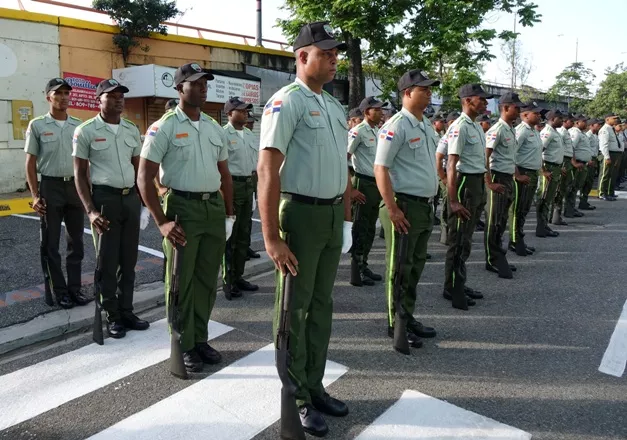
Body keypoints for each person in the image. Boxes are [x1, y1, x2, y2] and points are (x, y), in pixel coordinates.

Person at [257, 22, 351, 437]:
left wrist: (346, 218)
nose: (333, 59)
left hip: (330, 217)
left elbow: (342, 167)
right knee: (295, 310)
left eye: (335, 54)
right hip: (300, 216)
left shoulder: (332, 106)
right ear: (301, 56)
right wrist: (272, 236)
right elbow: (266, 169)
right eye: (326, 52)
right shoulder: (286, 102)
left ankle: (315, 385)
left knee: (322, 307)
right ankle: (296, 397)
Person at [137, 62, 234, 372]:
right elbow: (144, 177)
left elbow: (225, 174)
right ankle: (183, 342)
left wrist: (229, 214)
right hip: (183, 209)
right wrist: (162, 221)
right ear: (179, 88)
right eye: (196, 83)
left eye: (205, 82)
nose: (203, 87)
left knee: (207, 280)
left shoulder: (213, 126)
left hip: (212, 210)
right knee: (181, 281)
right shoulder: (163, 126)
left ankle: (200, 338)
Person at [73, 78, 148, 338]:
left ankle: (127, 310)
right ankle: (113, 315)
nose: (118, 99)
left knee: (129, 261)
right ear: (99, 100)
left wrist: (145, 203)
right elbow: (80, 175)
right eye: (112, 95)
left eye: (121, 95)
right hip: (105, 200)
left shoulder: (130, 129)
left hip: (129, 200)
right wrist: (91, 211)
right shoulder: (85, 131)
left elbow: (139, 170)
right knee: (107, 261)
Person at [375, 69, 439, 349]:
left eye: (429, 89)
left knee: (415, 266)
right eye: (423, 88)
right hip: (404, 205)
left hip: (423, 207)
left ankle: (407, 315)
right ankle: (395, 323)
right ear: (407, 93)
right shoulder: (396, 125)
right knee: (399, 267)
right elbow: (381, 168)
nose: (428, 93)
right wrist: (392, 208)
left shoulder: (425, 125)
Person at [24, 78, 90, 309]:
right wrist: (34, 195)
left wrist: (88, 191)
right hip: (50, 187)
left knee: (77, 244)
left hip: (74, 187)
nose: (63, 97)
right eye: (58, 93)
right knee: (51, 245)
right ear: (48, 97)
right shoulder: (38, 125)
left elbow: (84, 163)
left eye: (66, 93)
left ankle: (75, 289)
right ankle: (60, 291)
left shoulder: (78, 125)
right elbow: (30, 162)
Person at [443, 84, 494, 309]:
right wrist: (453, 200)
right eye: (480, 99)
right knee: (459, 239)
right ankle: (453, 288)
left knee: (467, 239)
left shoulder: (475, 126)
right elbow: (451, 164)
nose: (484, 103)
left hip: (476, 183)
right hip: (465, 183)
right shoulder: (460, 127)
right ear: (467, 100)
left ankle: (458, 283)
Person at [483, 92, 525, 279]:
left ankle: (498, 255)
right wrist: (489, 182)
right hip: (497, 178)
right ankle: (492, 259)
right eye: (516, 107)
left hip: (507, 178)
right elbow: (485, 156)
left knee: (501, 221)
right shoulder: (497, 129)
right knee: (493, 221)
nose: (519, 110)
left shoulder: (510, 129)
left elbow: (511, 157)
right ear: (506, 107)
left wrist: (516, 175)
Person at [222, 97, 259, 297]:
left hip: (248, 185)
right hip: (232, 185)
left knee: (244, 235)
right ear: (229, 113)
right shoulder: (222, 134)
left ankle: (239, 276)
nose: (245, 113)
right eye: (241, 110)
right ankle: (228, 281)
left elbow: (255, 165)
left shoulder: (249, 134)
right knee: (230, 236)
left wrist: (256, 189)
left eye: (246, 110)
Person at [348, 96, 387, 287]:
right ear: (366, 112)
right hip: (362, 183)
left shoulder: (377, 131)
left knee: (370, 227)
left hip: (376, 184)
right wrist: (350, 189)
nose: (381, 112)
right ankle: (356, 271)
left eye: (382, 110)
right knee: (360, 228)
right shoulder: (358, 132)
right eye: (377, 109)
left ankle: (364, 264)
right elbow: (344, 159)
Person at [509, 103, 543, 256]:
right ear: (525, 115)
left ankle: (519, 239)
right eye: (536, 113)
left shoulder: (534, 131)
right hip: (523, 173)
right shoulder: (521, 131)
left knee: (525, 209)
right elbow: (511, 154)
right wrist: (517, 175)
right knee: (518, 209)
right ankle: (515, 241)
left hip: (532, 173)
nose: (539, 116)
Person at [536, 110, 564, 238]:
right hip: (549, 168)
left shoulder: (554, 132)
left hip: (555, 167)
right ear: (552, 119)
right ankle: (541, 227)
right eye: (560, 118)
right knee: (544, 198)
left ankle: (544, 225)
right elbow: (538, 151)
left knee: (549, 198)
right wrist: (543, 170)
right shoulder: (547, 132)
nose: (562, 121)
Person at [552, 114, 577, 225]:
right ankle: (555, 216)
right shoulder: (561, 132)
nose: (572, 124)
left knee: (564, 187)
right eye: (570, 121)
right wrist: (562, 165)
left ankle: (557, 216)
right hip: (563, 161)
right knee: (559, 189)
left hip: (566, 161)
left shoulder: (564, 132)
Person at [566, 115, 591, 217]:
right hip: (577, 164)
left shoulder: (582, 133)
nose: (586, 123)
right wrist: (574, 163)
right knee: (572, 187)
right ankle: (569, 210)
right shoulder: (575, 133)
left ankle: (572, 208)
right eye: (583, 121)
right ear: (577, 123)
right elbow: (571, 148)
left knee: (576, 187)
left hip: (582, 163)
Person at [246, 111, 261, 260]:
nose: (251, 123)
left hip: (252, 178)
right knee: (237, 219)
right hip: (238, 180)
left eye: (252, 121)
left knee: (248, 215)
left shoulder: (252, 137)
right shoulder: (227, 135)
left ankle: (245, 246)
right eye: (249, 121)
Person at [598, 113, 622, 201]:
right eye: (614, 118)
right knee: (605, 174)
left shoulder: (611, 129)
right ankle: (602, 193)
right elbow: (604, 144)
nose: (616, 120)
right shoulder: (605, 129)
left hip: (614, 154)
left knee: (610, 175)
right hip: (608, 154)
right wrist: (607, 157)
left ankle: (608, 192)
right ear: (607, 119)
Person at [580, 118, 602, 210]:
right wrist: (588, 160)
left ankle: (584, 201)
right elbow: (585, 148)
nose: (599, 126)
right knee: (586, 181)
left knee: (590, 181)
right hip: (589, 160)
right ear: (591, 125)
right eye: (597, 124)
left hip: (594, 159)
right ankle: (582, 202)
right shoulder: (587, 136)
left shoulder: (595, 135)